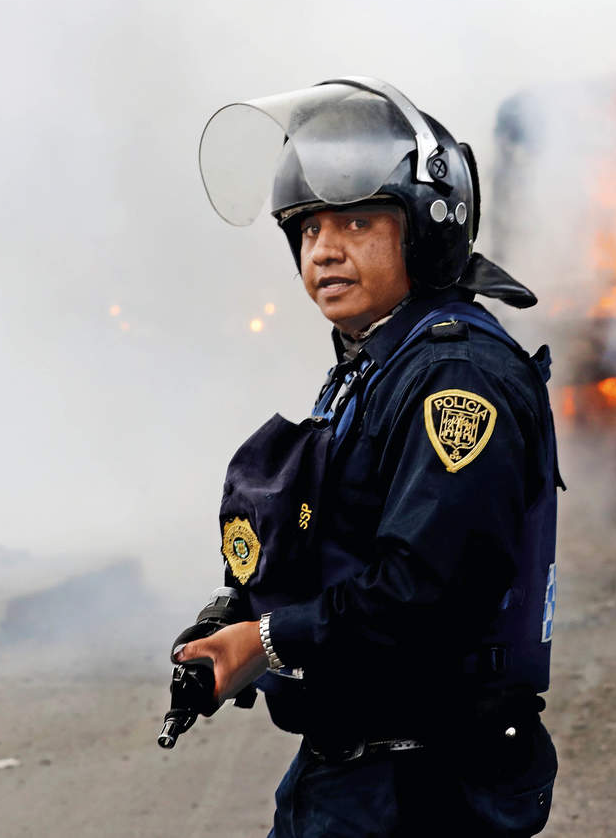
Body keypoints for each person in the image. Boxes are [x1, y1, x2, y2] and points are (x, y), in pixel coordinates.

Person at [177, 78, 563, 836]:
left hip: (421, 788)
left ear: (427, 229)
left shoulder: (454, 377)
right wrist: (244, 617)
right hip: (354, 778)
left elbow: (426, 589)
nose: (324, 249)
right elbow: (342, 546)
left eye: (356, 221)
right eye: (308, 228)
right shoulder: (379, 361)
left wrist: (269, 639)